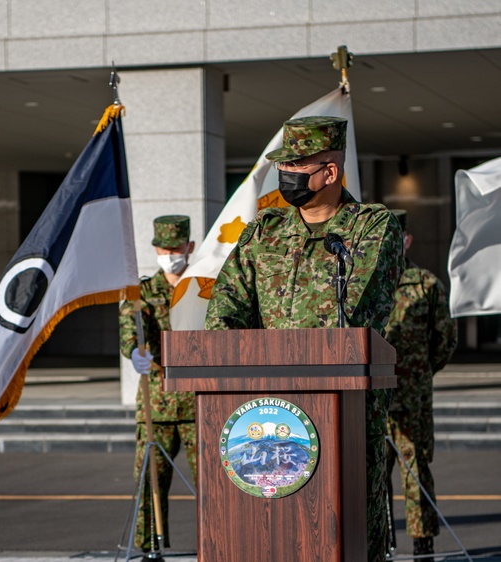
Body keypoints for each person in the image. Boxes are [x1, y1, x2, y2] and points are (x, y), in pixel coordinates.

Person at [205, 116, 404, 562]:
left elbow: (361, 310)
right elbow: (226, 308)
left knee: (347, 534)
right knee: (270, 533)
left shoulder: (371, 228)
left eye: (297, 166)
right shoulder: (264, 232)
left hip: (347, 413)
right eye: (284, 166)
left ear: (329, 172)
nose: (286, 176)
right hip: (266, 410)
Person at [119, 215, 197, 552]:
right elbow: (130, 335)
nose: (170, 255)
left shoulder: (203, 287)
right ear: (155, 249)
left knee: (214, 480)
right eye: (164, 249)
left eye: (176, 249)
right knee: (150, 480)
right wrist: (135, 351)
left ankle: (220, 539)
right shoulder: (142, 293)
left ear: (189, 247)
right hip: (159, 401)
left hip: (199, 401)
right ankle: (151, 547)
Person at [384, 209, 458, 556]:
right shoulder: (360, 284)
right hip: (373, 399)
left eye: (393, 239)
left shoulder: (426, 284)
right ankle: (380, 540)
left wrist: (422, 372)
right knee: (371, 473)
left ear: (407, 240)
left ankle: (422, 544)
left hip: (412, 396)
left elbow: (445, 339)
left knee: (416, 471)